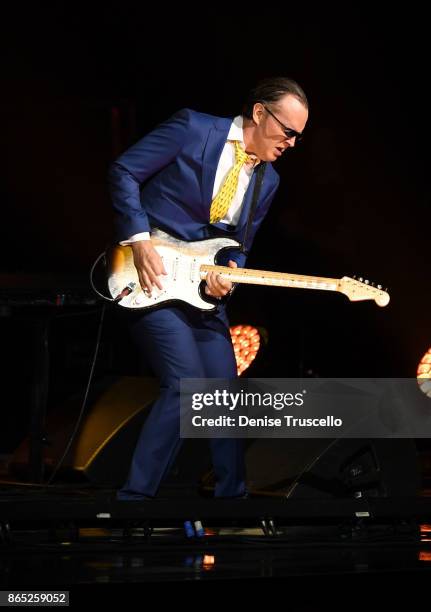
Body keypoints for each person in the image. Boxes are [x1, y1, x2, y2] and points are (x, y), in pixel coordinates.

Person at [108, 76, 309, 500]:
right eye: (288, 132)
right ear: (259, 113)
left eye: (298, 136)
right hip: (150, 276)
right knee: (186, 387)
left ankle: (232, 502)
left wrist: (229, 278)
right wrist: (140, 241)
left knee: (223, 394)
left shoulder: (268, 181)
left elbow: (240, 248)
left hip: (202, 293)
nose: (292, 143)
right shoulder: (193, 129)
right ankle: (134, 503)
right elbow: (124, 170)